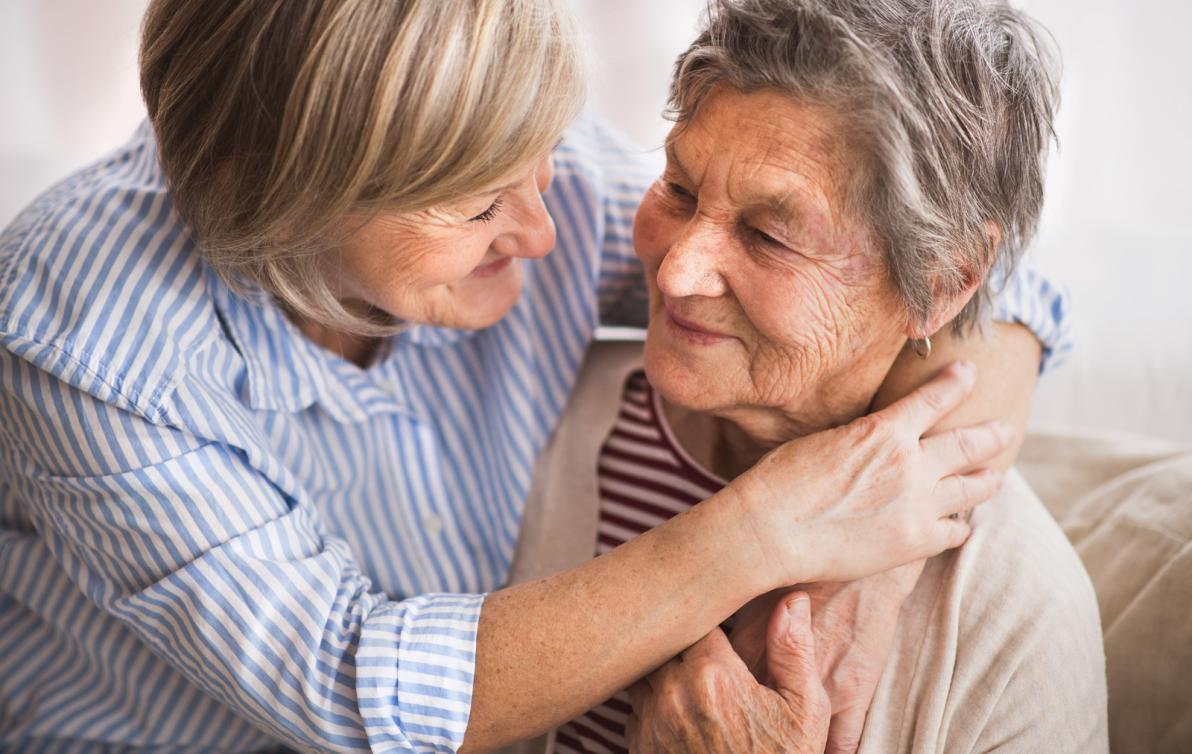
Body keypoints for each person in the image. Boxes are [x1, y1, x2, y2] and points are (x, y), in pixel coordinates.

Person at [0, 0, 1068, 752]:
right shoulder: (86, 329)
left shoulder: (497, 157)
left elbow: (966, 269)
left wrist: (868, 559)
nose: (551, 227)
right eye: (473, 206)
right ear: (280, 209)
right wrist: (769, 530)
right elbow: (351, 685)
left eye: (539, 155)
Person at [514, 1, 1104, 752]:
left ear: (945, 278)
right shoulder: (547, 416)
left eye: (768, 236)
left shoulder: (1014, 610)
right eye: (679, 189)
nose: (679, 269)